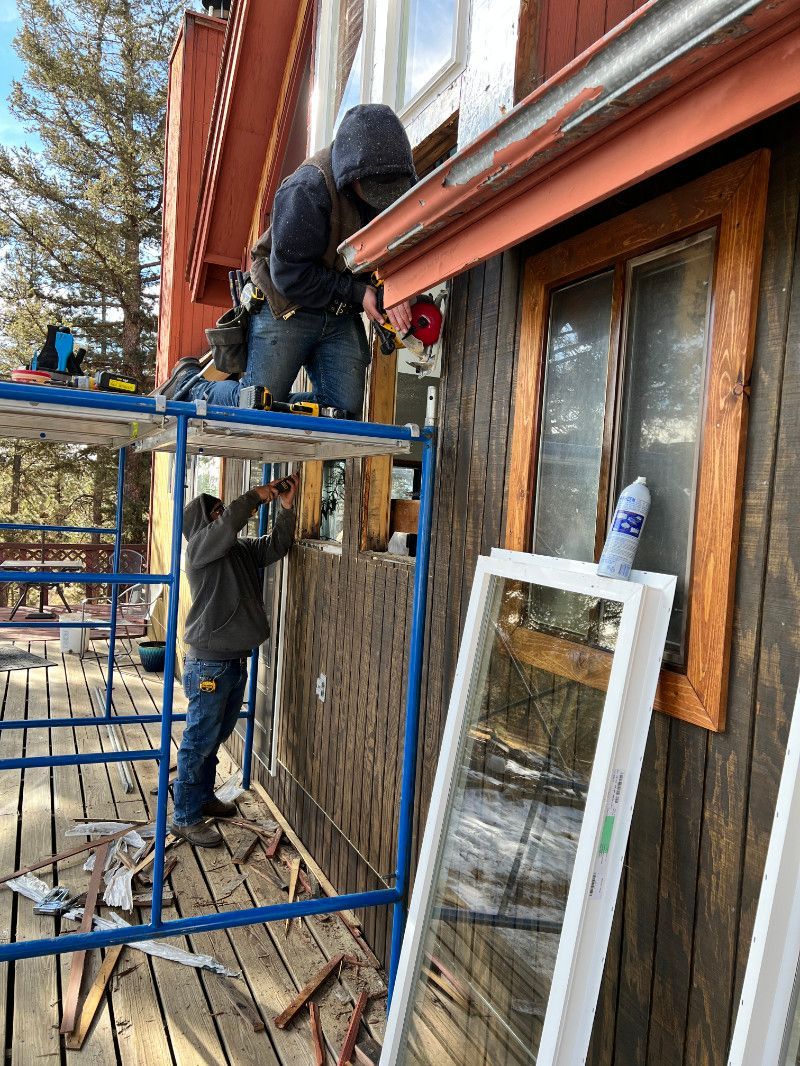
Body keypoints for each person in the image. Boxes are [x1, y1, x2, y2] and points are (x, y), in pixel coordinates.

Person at [161, 104, 417, 416]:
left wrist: (396, 286)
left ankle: (284, 410)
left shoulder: (392, 185)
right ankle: (188, 384)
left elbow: (398, 244)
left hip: (339, 310)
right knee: (256, 404)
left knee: (342, 413)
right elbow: (291, 276)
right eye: (375, 190)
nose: (382, 200)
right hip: (287, 301)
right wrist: (358, 292)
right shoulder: (307, 189)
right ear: (352, 174)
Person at [170, 473, 299, 847]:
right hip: (209, 664)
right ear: (203, 524)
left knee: (215, 736)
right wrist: (255, 497)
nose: (224, 515)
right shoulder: (199, 550)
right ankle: (186, 817)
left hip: (233, 660)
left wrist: (285, 508)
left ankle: (203, 797)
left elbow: (276, 546)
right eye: (217, 512)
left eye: (223, 510)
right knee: (199, 740)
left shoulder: (238, 551)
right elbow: (228, 526)